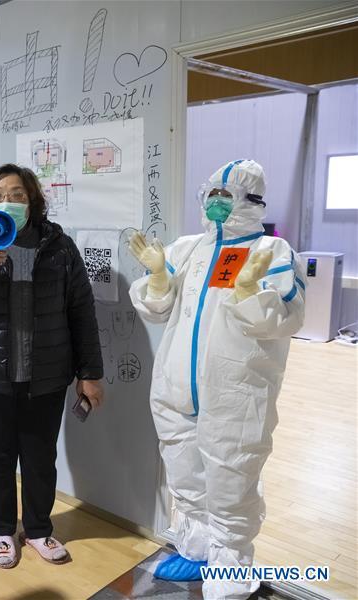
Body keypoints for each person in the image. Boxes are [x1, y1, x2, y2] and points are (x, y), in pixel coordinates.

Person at [127, 159, 306, 599]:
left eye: (228, 194)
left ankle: (231, 573)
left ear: (251, 199)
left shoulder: (272, 252)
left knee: (231, 481)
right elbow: (156, 310)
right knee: (184, 476)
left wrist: (250, 293)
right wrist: (158, 276)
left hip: (235, 392)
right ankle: (196, 548)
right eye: (213, 192)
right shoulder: (188, 249)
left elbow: (285, 319)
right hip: (174, 387)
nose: (217, 201)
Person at [0, 163, 104, 569]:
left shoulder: (59, 248)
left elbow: (81, 311)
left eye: (17, 195)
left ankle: (38, 530)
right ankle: (1, 531)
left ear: (32, 202)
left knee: (39, 458)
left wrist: (90, 373)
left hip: (45, 373)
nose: (7, 202)